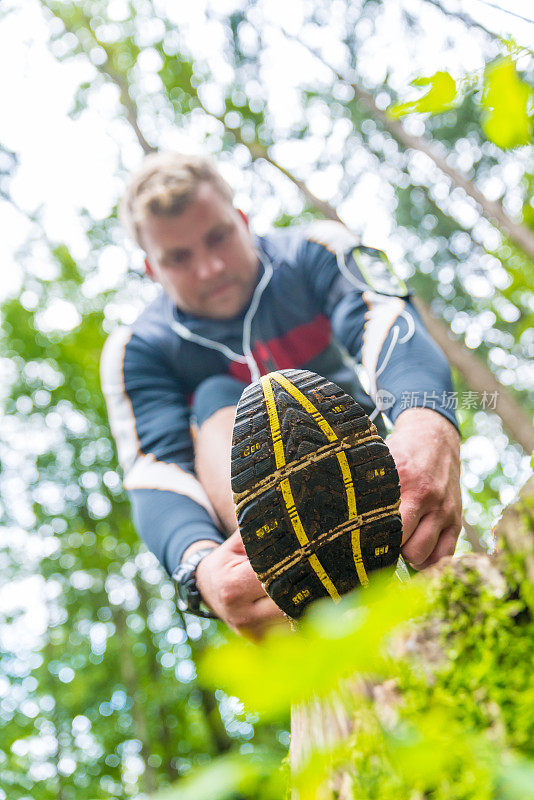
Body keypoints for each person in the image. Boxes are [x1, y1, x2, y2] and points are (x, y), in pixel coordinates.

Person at [101, 152, 462, 639]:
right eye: (178, 258)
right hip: (256, 541)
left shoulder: (314, 249)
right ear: (151, 269)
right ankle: (299, 585)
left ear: (243, 221)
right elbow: (153, 466)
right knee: (218, 393)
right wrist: (200, 565)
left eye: (218, 237)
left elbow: (386, 321)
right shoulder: (138, 348)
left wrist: (426, 424)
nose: (209, 268)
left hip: (387, 478)